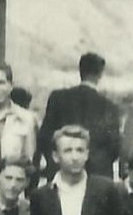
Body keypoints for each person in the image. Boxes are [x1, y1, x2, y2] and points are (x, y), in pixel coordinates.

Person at [41, 52, 121, 180]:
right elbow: (114, 148)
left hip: (62, 172)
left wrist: (54, 163)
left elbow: (44, 137)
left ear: (80, 71)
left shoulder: (58, 98)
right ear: (100, 74)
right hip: (96, 177)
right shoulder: (109, 107)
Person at [0, 61, 38, 185]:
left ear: (11, 85)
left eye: (2, 83)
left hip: (14, 188)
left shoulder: (26, 118)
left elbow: (29, 159)